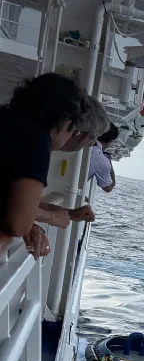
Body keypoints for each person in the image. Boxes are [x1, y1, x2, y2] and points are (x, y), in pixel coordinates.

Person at [0, 77, 107, 258]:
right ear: (67, 124)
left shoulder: (7, 120)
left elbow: (13, 199)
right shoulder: (37, 141)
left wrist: (36, 222)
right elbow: (18, 222)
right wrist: (49, 218)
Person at [87, 122, 119, 192]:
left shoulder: (79, 140)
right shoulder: (102, 160)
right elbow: (108, 188)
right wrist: (111, 171)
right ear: (110, 141)